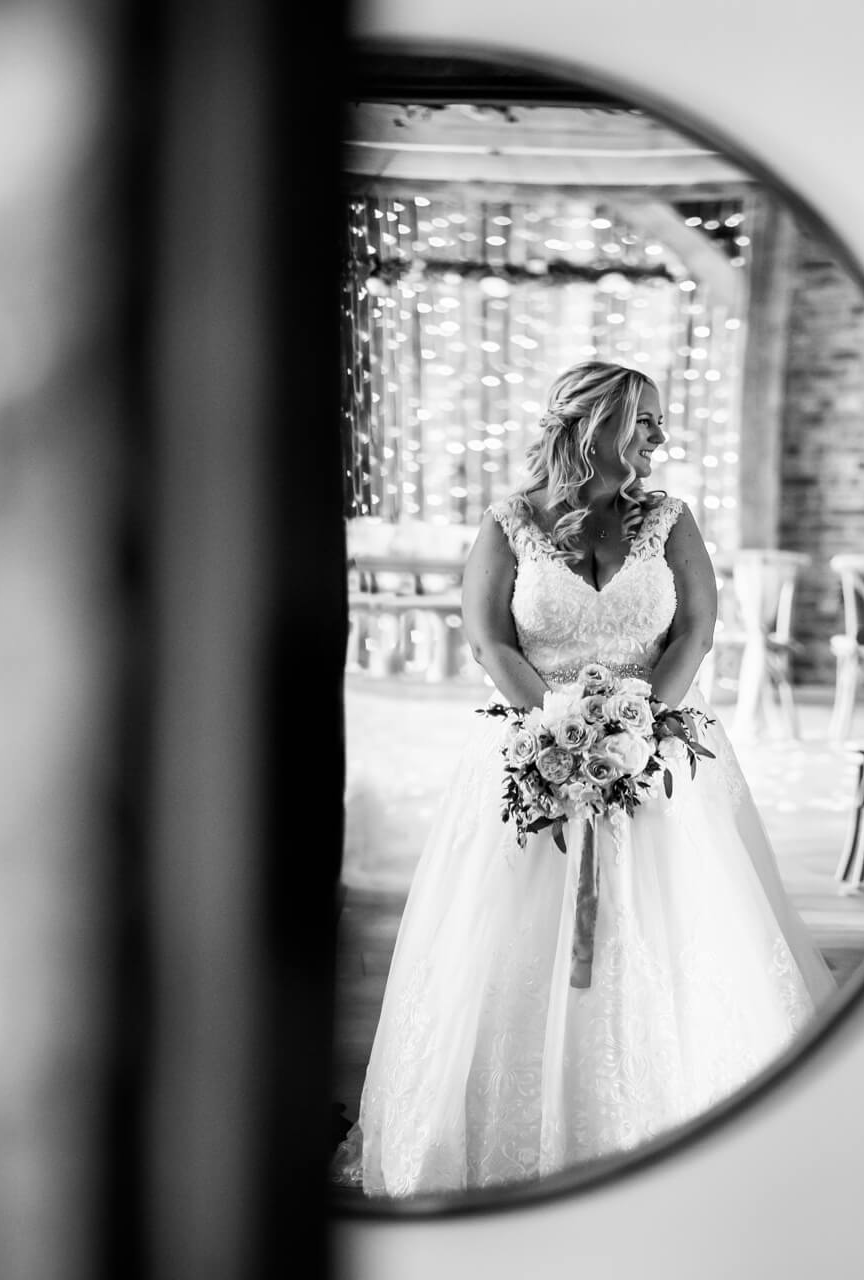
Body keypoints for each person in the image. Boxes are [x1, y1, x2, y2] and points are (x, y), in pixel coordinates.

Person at [336, 360, 836, 1197]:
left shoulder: (667, 520)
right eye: (645, 421)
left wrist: (639, 727)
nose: (659, 437)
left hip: (662, 758)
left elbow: (697, 631)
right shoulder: (509, 524)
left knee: (673, 941)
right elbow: (491, 641)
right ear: (595, 425)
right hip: (532, 752)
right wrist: (559, 728)